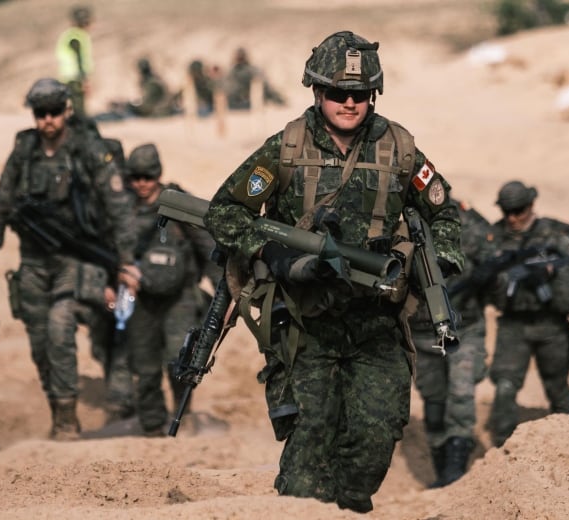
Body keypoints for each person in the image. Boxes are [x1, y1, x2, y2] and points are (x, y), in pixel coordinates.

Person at [203, 31, 463, 513]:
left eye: (360, 94)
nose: (349, 102)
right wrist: (278, 257)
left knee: (374, 440)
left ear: (373, 95)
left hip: (377, 323)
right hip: (307, 325)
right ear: (317, 91)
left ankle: (343, 508)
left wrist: (436, 260)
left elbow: (444, 213)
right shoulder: (285, 148)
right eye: (338, 93)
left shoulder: (399, 148)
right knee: (310, 445)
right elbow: (225, 214)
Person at [0, 78, 141, 439]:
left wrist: (126, 260)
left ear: (66, 111)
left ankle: (69, 421)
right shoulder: (24, 152)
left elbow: (119, 208)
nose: (46, 120)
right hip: (33, 261)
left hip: (76, 258)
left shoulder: (87, 150)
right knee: (39, 341)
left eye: (52, 112)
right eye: (39, 113)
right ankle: (59, 409)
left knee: (60, 324)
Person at [485, 180, 569, 447]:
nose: (512, 218)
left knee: (557, 386)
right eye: (507, 212)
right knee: (505, 386)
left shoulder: (556, 235)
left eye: (519, 210)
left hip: (551, 325)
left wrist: (549, 276)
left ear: (531, 205)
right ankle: (502, 451)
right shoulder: (494, 237)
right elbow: (482, 276)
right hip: (513, 325)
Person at [123, 143, 220, 436]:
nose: (141, 183)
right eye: (136, 177)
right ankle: (151, 426)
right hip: (140, 299)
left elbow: (209, 248)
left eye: (148, 177)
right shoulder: (122, 211)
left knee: (180, 358)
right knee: (144, 363)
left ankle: (183, 415)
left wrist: (221, 293)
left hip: (180, 298)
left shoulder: (178, 206)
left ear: (158, 175)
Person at [410, 199, 491, 488]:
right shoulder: (401, 218)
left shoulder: (467, 221)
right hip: (421, 332)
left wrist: (487, 276)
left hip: (463, 328)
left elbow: (495, 250)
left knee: (460, 394)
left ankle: (455, 474)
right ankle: (442, 471)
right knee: (433, 398)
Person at [55, 6, 94, 119]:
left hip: (68, 77)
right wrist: (84, 79)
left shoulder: (70, 34)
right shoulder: (76, 36)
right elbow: (79, 58)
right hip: (74, 78)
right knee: (79, 111)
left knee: (72, 109)